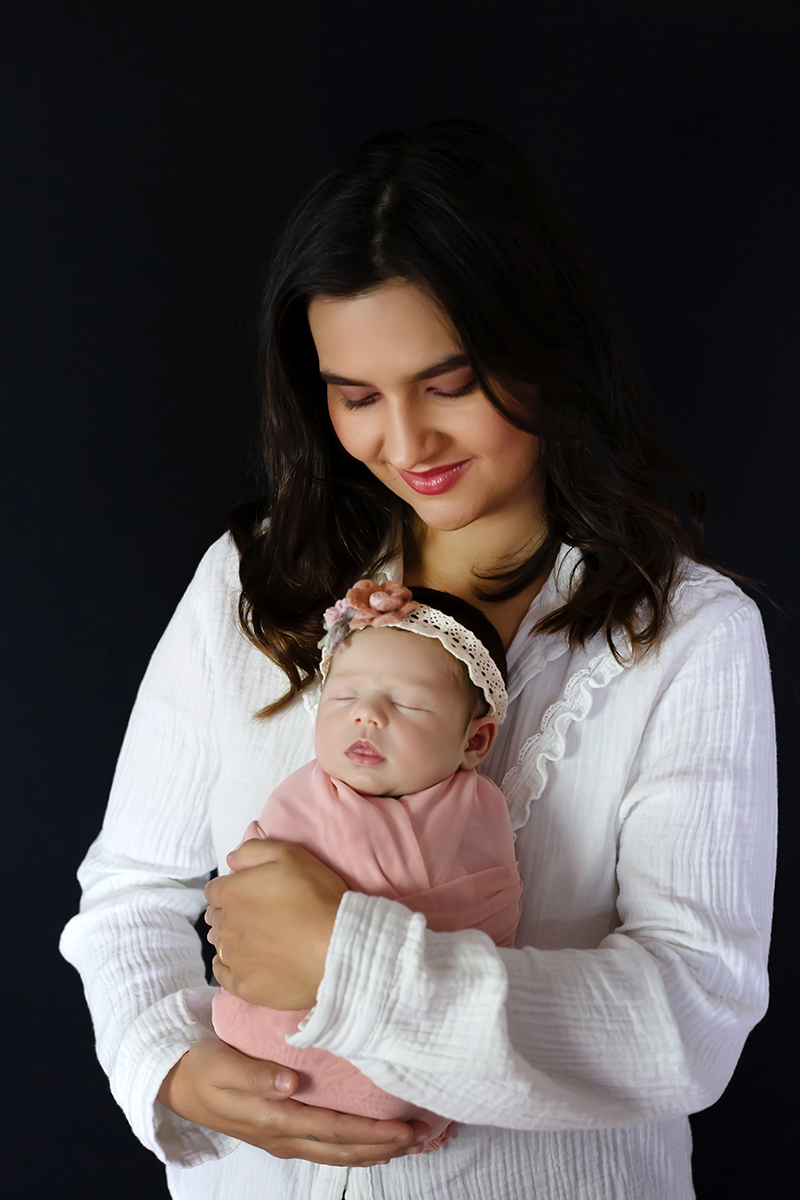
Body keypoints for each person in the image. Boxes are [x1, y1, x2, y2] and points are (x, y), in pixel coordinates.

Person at [60, 119, 777, 1200]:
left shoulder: (684, 632)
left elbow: (688, 1018)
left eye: (447, 384)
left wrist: (348, 964)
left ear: (540, 346)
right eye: (355, 396)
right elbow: (131, 892)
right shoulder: (254, 579)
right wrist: (171, 1061)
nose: (405, 443)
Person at [210, 580, 522, 1152]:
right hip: (267, 1036)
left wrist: (354, 940)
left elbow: (491, 916)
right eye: (344, 697)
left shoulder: (479, 811)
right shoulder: (301, 795)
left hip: (408, 1053)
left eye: (407, 703)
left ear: (475, 741)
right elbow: (247, 894)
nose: (367, 717)